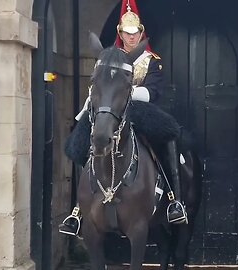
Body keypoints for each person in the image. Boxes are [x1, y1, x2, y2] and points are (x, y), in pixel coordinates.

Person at [58, 6, 188, 236]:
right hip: (109, 112)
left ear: (140, 33)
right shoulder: (108, 59)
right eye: (127, 32)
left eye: (135, 32)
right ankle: (77, 211)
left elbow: (153, 92)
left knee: (169, 137)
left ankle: (174, 200)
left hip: (141, 109)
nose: (131, 36)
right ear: (120, 33)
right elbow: (97, 87)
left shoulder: (151, 61)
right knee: (78, 143)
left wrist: (126, 93)